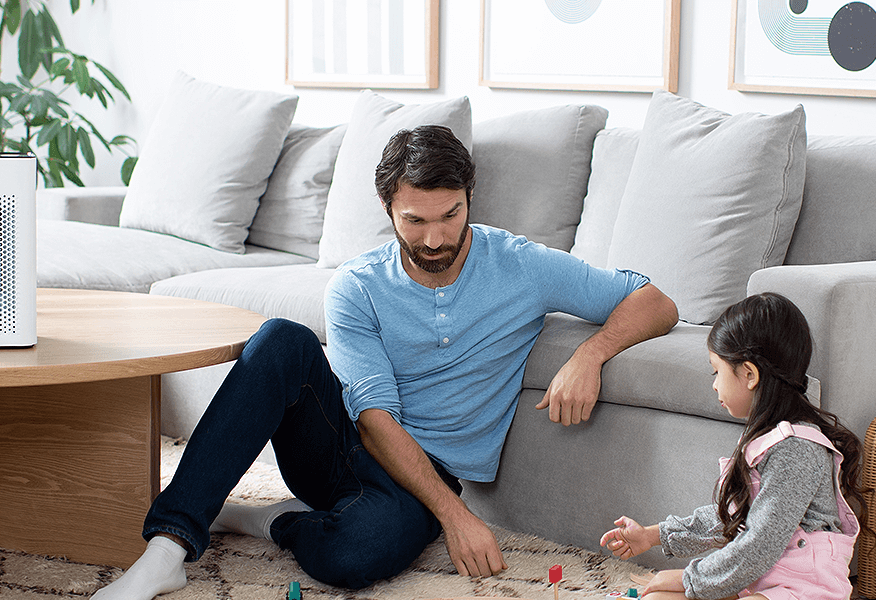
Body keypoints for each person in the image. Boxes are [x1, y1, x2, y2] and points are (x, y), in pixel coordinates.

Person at [92, 124, 679, 599]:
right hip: (344, 445)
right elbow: (372, 418)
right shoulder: (357, 287)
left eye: (450, 215)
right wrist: (456, 518)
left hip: (427, 471)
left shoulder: (521, 265)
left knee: (354, 558)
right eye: (414, 220)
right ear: (386, 207)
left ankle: (270, 520)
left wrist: (591, 353)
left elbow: (655, 300)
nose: (434, 239)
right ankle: (167, 549)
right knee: (281, 340)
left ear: (469, 197)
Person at [599, 292, 869, 600]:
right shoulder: (763, 443)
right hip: (759, 584)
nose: (714, 383)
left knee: (677, 589)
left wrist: (688, 579)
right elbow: (730, 517)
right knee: (657, 597)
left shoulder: (798, 451)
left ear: (749, 374)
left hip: (803, 592)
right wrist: (652, 535)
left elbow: (759, 545)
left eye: (717, 370)